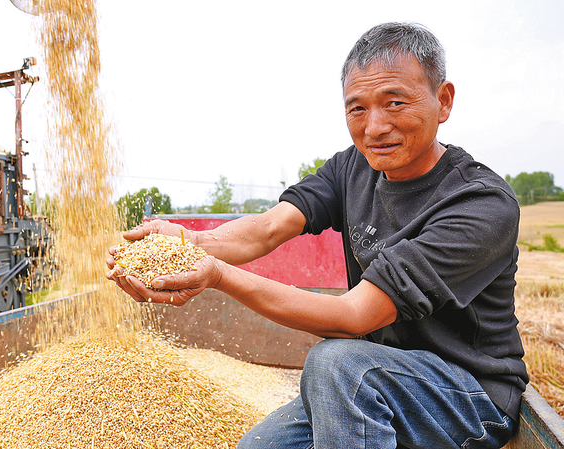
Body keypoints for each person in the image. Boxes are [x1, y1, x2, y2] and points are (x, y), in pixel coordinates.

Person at [106, 22, 527, 449]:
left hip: (467, 397)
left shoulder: (480, 204)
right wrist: (186, 243)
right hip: (373, 379)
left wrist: (217, 275)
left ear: (443, 100)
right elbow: (267, 228)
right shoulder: (353, 169)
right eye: (357, 109)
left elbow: (354, 317)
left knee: (334, 362)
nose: (375, 127)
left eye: (394, 102)